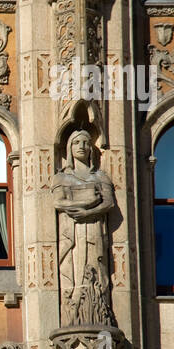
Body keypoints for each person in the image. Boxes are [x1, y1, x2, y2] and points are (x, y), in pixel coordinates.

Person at [52, 129, 116, 327]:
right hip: (72, 231)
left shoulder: (100, 176)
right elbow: (58, 202)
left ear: (91, 148)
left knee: (97, 267)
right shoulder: (61, 177)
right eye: (76, 142)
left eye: (86, 142)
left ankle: (98, 308)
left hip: (95, 228)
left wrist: (87, 213)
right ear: (69, 148)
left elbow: (109, 203)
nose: (81, 146)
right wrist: (88, 202)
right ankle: (74, 308)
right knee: (73, 268)